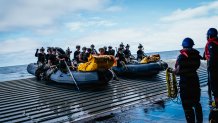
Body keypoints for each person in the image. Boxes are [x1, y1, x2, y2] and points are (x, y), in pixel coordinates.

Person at [174, 38, 203, 123]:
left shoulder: (181, 56)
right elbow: (196, 66)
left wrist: (173, 71)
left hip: (185, 84)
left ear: (183, 46)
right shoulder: (197, 55)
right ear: (192, 45)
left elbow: (177, 71)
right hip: (195, 81)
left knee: (187, 107)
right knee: (197, 103)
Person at [204, 28, 218, 108]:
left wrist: (210, 68)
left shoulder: (211, 44)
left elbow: (212, 57)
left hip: (214, 69)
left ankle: (216, 104)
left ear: (209, 35)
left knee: (215, 87)